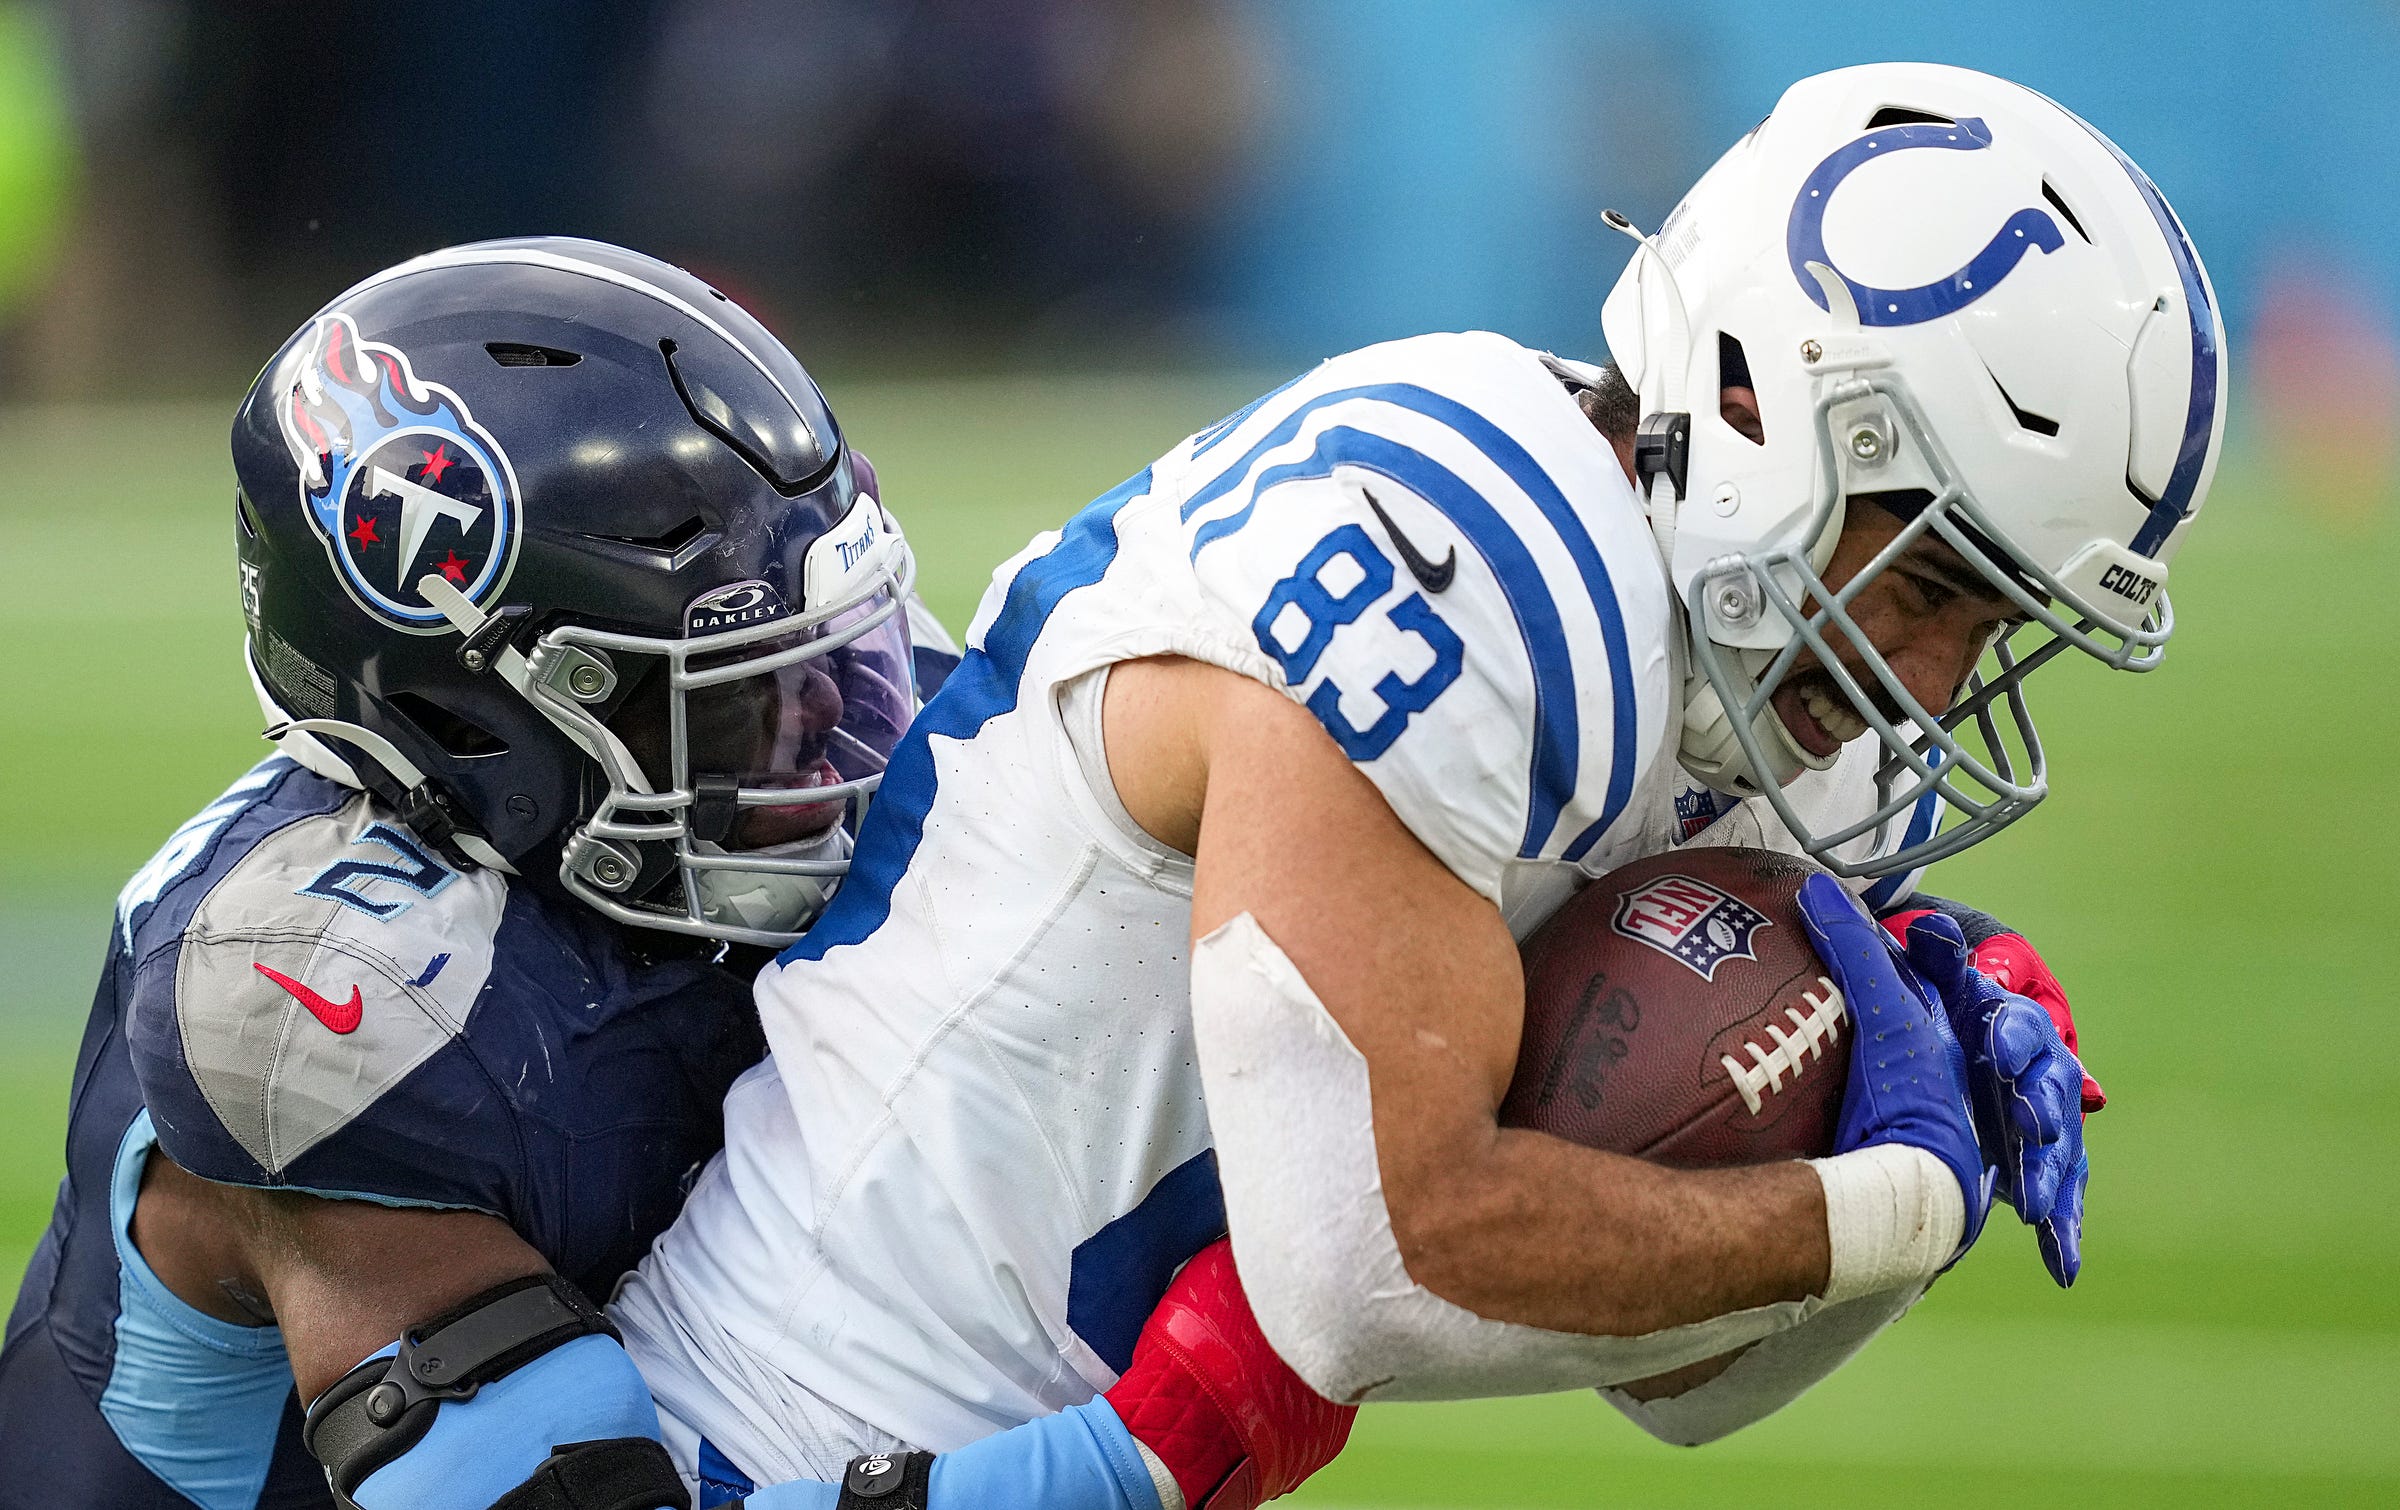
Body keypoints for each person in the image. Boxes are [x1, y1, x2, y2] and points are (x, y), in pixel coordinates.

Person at [605, 59, 2222, 1489]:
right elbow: (1367, 1268)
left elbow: (1686, 1387)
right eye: (1929, 586)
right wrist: (1892, 1210)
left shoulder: (1754, 668)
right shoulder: (1464, 535)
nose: (1926, 687)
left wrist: (1886, 1083)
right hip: (778, 1434)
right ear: (1760, 407)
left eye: (1989, 621)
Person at [0, 238, 1351, 1510]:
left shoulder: (743, 766)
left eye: (832, 650)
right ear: (485, 734)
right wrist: (1162, 1441)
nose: (838, 722)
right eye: (738, 696)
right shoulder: (326, 1006)